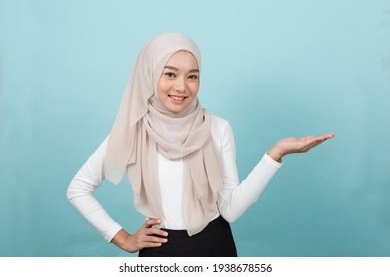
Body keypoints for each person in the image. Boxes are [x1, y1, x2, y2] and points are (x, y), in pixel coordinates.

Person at [66, 32, 335, 257]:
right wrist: (123, 238)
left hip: (216, 247)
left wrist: (275, 155)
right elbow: (78, 189)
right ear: (150, 75)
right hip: (160, 251)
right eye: (170, 74)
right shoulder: (132, 132)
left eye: (192, 76)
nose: (182, 86)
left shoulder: (218, 128)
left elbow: (230, 209)